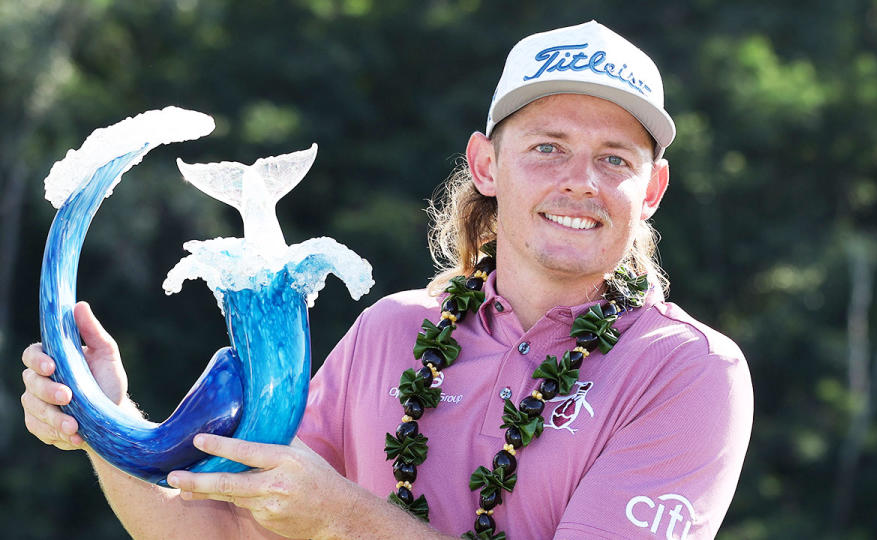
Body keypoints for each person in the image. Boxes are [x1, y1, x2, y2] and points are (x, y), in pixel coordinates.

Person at [20, 20, 752, 539]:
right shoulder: (390, 331)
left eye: (615, 160)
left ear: (651, 189)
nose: (580, 182)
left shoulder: (688, 371)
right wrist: (101, 418)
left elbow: (323, 513)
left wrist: (341, 517)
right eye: (548, 147)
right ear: (487, 165)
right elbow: (221, 535)